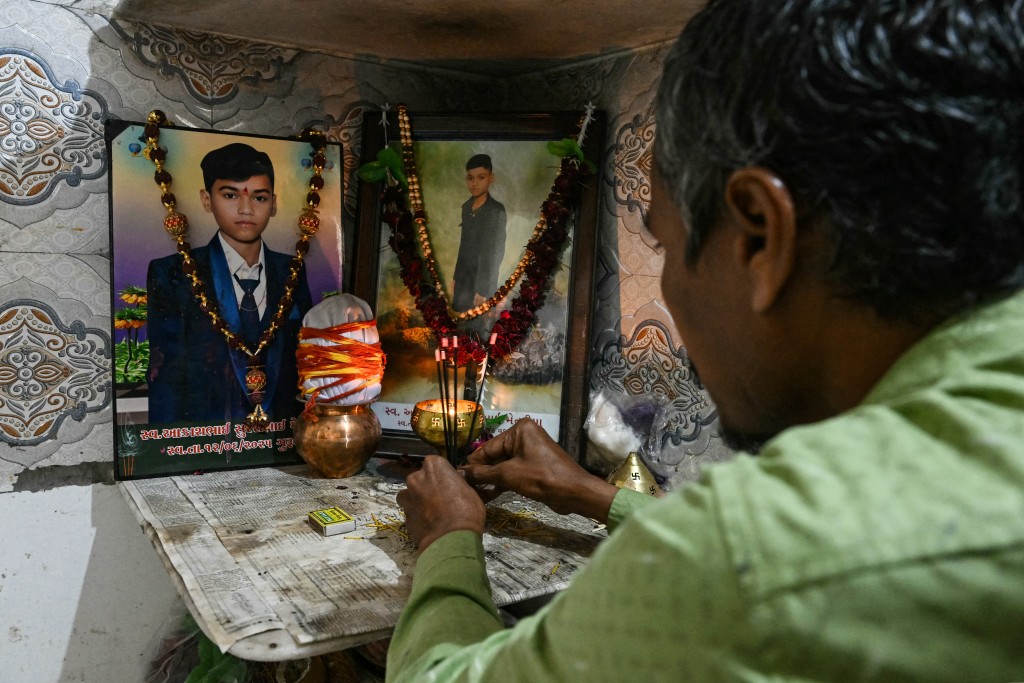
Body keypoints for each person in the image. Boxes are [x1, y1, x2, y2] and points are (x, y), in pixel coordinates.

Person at [389, 0, 1024, 680]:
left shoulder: (750, 555)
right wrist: (594, 495)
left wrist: (449, 538)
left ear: (758, 236)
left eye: (663, 242)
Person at [147, 142, 312, 424]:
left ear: (274, 204)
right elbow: (165, 376)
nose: (246, 209)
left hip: (284, 438)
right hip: (204, 442)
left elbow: (306, 360)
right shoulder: (173, 273)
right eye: (230, 195)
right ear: (207, 200)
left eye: (259, 198)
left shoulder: (291, 270)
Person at [452, 153, 507, 312]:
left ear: (491, 178)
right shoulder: (466, 207)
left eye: (481, 177)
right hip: (464, 277)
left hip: (482, 280)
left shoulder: (495, 210)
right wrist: (456, 276)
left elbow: (495, 252)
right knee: (459, 318)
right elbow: (464, 245)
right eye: (470, 178)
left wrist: (484, 289)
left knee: (478, 323)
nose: (474, 183)